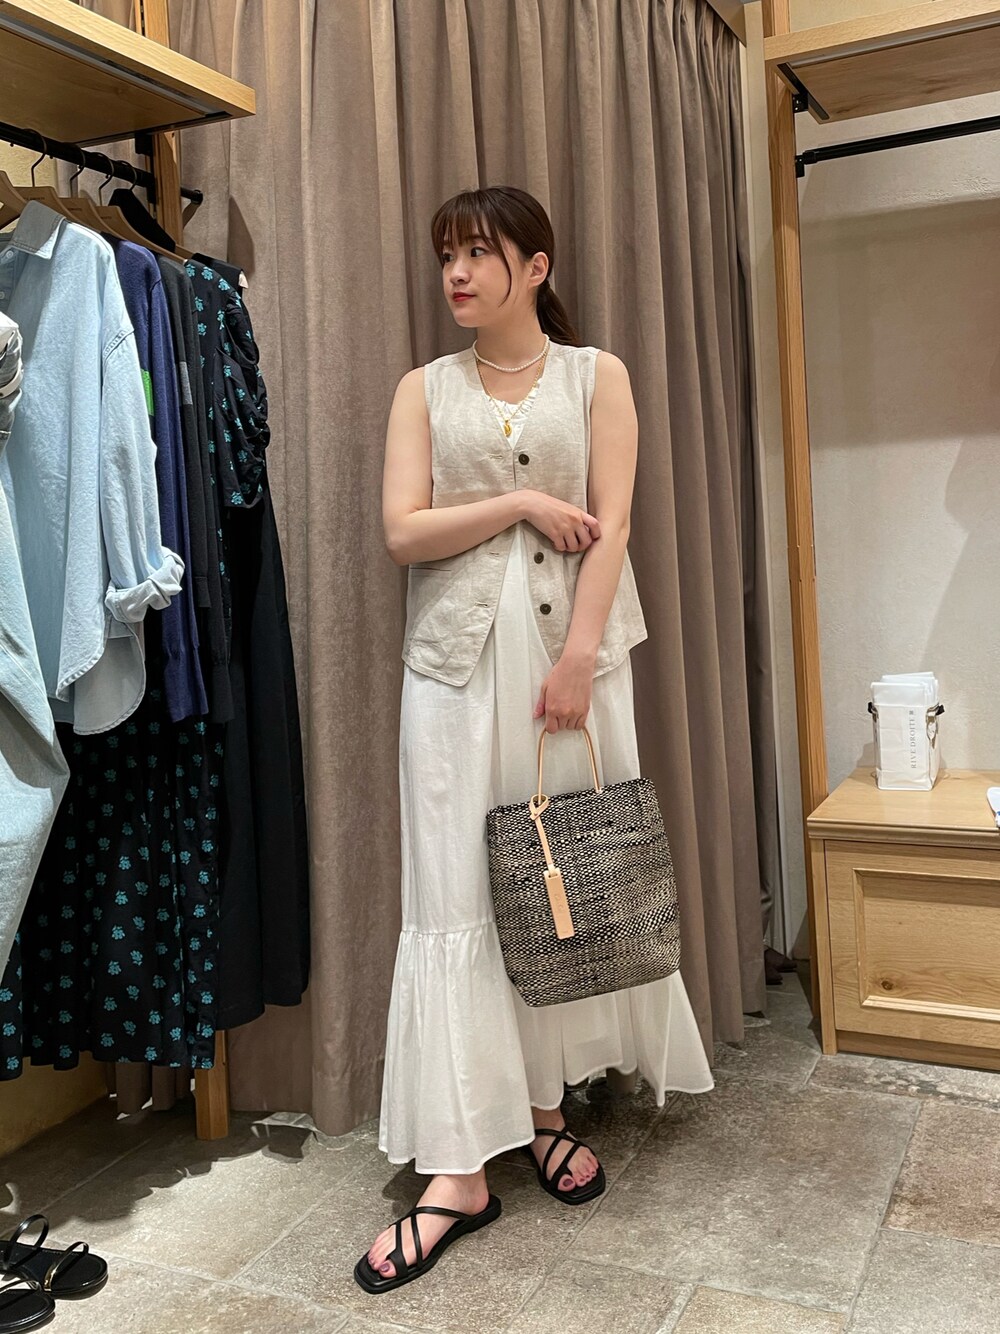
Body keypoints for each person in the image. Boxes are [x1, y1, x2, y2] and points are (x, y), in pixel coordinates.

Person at [356, 186, 713, 1294]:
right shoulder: (422, 389)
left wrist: (579, 659)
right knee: (457, 889)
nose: (457, 274)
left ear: (536, 265)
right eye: (447, 256)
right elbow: (403, 531)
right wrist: (516, 507)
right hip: (455, 671)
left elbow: (614, 518)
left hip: (571, 665)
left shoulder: (597, 375)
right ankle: (456, 1166)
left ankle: (546, 1109)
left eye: (478, 253)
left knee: (553, 881)